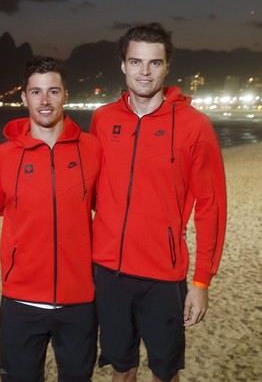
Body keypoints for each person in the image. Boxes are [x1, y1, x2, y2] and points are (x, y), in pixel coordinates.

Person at [90, 23, 227, 382]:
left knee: (165, 372)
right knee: (121, 368)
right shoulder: (103, 119)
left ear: (167, 66)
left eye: (154, 63)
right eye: (136, 61)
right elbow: (86, 190)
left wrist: (201, 283)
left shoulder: (195, 126)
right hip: (108, 271)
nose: (144, 71)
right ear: (123, 64)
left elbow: (212, 206)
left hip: (163, 277)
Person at [0, 57, 102, 381]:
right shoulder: (3, 157)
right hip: (20, 301)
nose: (44, 101)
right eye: (36, 92)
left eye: (52, 91)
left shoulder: (92, 150)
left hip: (79, 302)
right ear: (24, 97)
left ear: (65, 95)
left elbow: (113, 213)